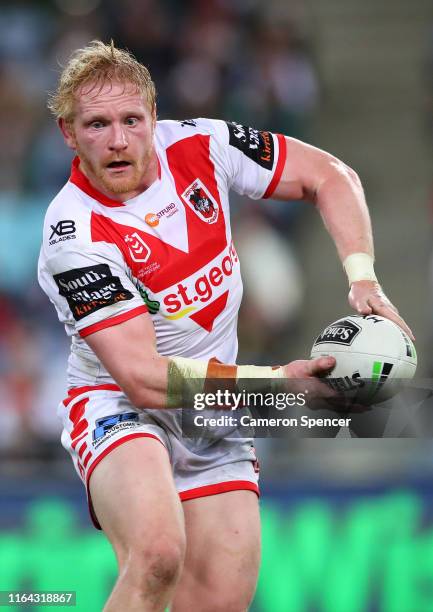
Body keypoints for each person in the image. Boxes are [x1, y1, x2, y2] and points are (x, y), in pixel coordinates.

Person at [38, 40, 413, 611]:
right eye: (96, 124)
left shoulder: (205, 144)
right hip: (120, 404)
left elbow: (330, 176)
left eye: (131, 120)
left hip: (218, 407)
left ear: (153, 117)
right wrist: (276, 386)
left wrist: (363, 277)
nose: (117, 140)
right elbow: (143, 379)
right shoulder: (74, 235)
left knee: (218, 603)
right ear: (69, 133)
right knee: (159, 554)